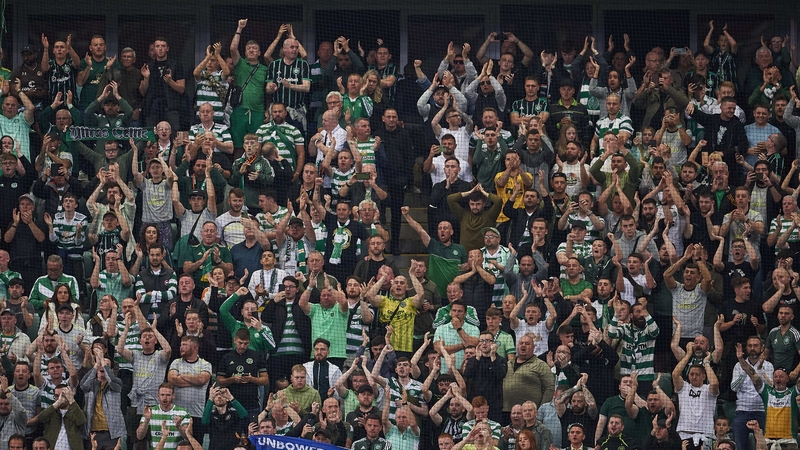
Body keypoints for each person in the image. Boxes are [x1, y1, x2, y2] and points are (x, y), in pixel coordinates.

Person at [37, 385, 85, 450]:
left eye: (62, 395)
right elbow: (41, 418)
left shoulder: (75, 411)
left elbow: (82, 421)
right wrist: (58, 402)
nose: (60, 398)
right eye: (57, 396)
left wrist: (72, 400)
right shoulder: (51, 412)